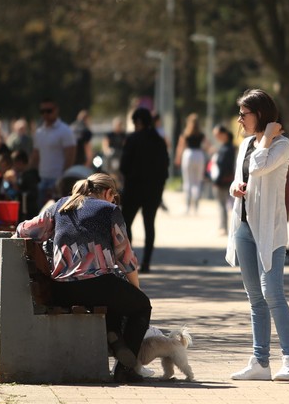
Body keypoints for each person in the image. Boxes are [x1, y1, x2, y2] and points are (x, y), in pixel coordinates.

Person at [14, 173, 154, 382]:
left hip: (61, 290)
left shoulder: (60, 206)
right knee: (139, 305)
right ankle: (125, 369)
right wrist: (136, 290)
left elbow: (25, 230)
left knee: (114, 294)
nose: (113, 201)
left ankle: (113, 333)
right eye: (114, 197)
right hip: (98, 286)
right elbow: (125, 258)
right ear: (108, 193)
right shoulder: (109, 210)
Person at [226, 88, 289, 382]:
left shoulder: (282, 145)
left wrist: (268, 137)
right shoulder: (246, 144)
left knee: (273, 294)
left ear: (259, 114)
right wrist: (235, 187)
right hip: (244, 228)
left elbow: (259, 167)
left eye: (243, 114)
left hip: (270, 230)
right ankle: (260, 362)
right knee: (255, 297)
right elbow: (240, 177)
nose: (240, 120)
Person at [120, 107, 170, 273]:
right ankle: (146, 262)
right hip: (153, 191)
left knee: (126, 223)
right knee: (149, 224)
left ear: (138, 122)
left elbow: (124, 165)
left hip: (133, 188)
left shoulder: (132, 139)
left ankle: (129, 260)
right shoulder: (159, 141)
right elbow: (165, 167)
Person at [31, 98, 76, 205]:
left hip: (57, 180)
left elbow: (70, 156)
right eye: (42, 111)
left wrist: (63, 179)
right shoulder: (39, 132)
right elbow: (36, 155)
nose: (45, 114)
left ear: (56, 110)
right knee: (41, 213)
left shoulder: (65, 131)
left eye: (49, 111)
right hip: (41, 179)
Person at [175, 113, 207, 215]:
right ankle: (196, 207)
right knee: (197, 181)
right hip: (199, 155)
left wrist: (178, 158)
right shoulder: (201, 134)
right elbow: (207, 145)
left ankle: (187, 206)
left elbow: (180, 146)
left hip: (188, 155)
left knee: (188, 181)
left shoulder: (186, 133)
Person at [210, 124, 237, 235]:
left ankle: (223, 227)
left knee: (223, 205)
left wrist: (217, 180)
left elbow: (225, 166)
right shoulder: (227, 147)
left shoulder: (228, 149)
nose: (216, 137)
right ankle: (224, 227)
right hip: (225, 179)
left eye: (218, 135)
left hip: (223, 180)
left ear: (224, 134)